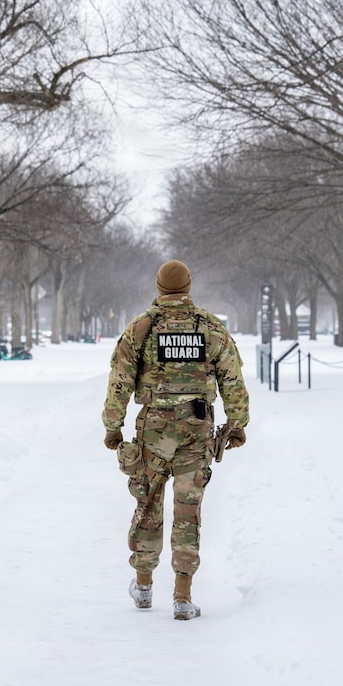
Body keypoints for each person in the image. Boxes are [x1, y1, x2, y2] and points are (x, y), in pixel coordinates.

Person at [101, 260, 249, 620]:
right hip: (196, 431)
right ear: (189, 286)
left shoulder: (141, 328)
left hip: (153, 431)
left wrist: (113, 427)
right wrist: (238, 423)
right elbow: (232, 379)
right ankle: (182, 596)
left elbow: (119, 381)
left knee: (147, 504)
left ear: (158, 286)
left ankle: (144, 587)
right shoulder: (211, 328)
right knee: (188, 511)